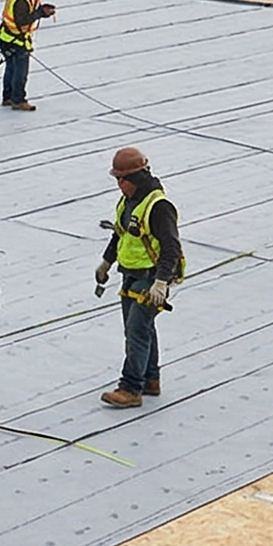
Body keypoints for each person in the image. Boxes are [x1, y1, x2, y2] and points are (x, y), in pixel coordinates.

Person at [94, 147, 182, 408]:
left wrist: (161, 281)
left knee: (136, 331)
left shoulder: (159, 207)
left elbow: (171, 248)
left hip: (151, 278)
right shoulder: (127, 202)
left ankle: (131, 388)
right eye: (117, 179)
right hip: (130, 274)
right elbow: (120, 233)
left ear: (138, 177)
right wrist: (106, 261)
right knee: (141, 329)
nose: (119, 184)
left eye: (123, 179)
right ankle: (150, 380)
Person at [0, 0, 54, 112]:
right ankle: (18, 100)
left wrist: (42, 11)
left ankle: (8, 97)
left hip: (7, 39)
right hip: (16, 41)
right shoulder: (20, 1)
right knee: (20, 73)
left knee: (11, 69)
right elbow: (22, 20)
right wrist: (40, 13)